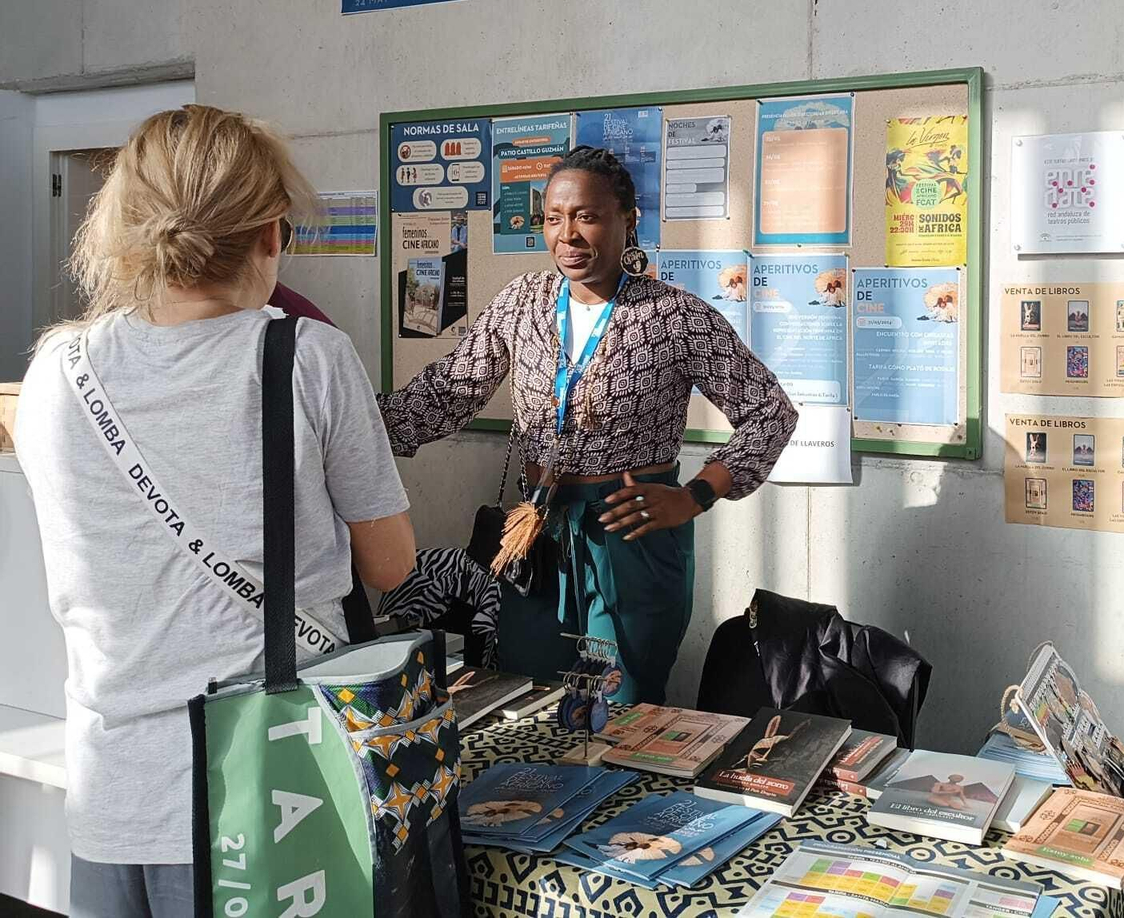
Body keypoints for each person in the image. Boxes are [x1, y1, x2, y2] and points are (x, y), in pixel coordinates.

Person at [13, 105, 417, 917]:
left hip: (107, 790)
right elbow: (392, 566)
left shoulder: (57, 370)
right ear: (271, 233)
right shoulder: (307, 357)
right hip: (270, 790)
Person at [380, 146, 797, 704]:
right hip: (535, 536)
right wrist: (338, 421)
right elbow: (447, 393)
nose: (568, 235)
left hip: (631, 538)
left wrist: (695, 494)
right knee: (526, 698)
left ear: (628, 220)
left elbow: (770, 412)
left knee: (616, 709)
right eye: (554, 218)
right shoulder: (522, 303)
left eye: (587, 216)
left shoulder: (674, 316)